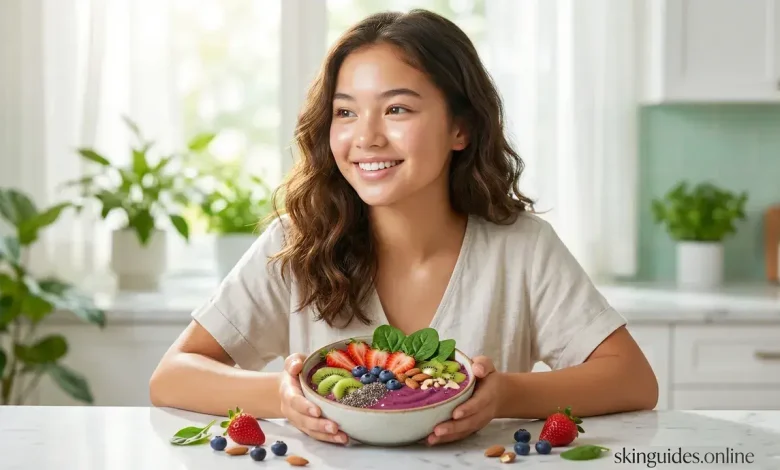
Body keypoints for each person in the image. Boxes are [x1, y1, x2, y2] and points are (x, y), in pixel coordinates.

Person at [149, 9, 658, 446]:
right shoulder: (296, 242)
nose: (365, 137)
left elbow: (633, 379)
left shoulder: (522, 248)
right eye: (345, 112)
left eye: (397, 109)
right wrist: (283, 396)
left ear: (461, 128)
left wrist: (505, 394)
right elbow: (172, 376)